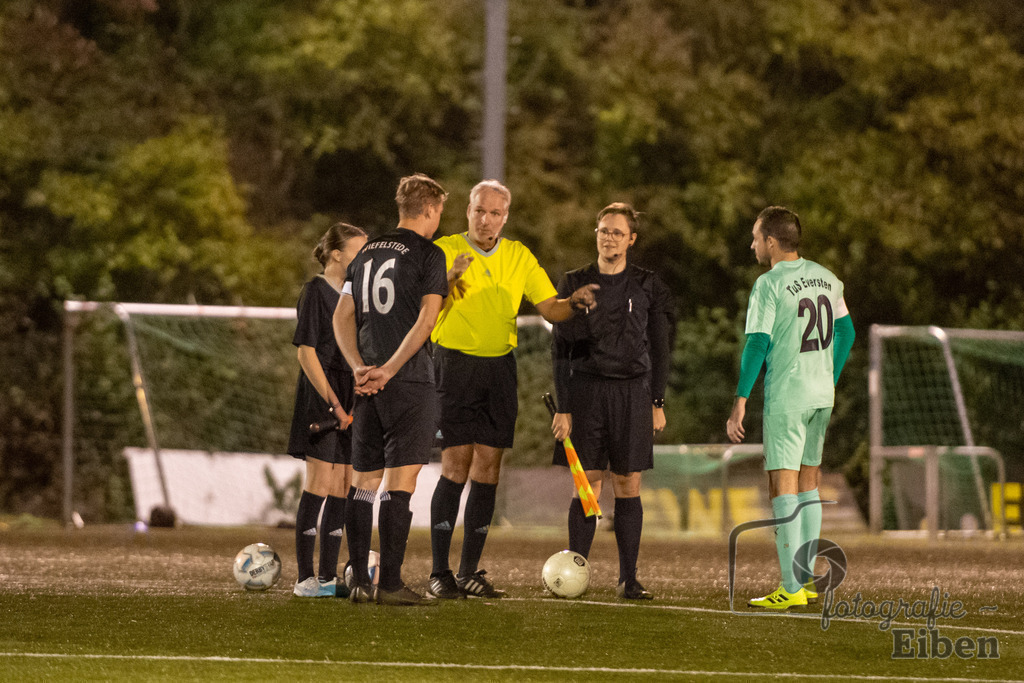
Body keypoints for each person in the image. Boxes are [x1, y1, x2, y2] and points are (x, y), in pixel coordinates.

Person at [426, 179, 599, 599]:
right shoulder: (445, 250)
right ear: (467, 210)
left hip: (499, 369)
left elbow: (550, 309)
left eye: (495, 213)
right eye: (479, 210)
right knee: (455, 468)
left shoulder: (519, 256)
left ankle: (468, 571)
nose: (486, 220)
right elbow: (424, 306)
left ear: (505, 217)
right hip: (454, 365)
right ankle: (438, 573)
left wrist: (573, 303)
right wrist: (448, 279)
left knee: (488, 469)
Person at [726, 206, 855, 610]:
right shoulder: (828, 278)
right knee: (809, 482)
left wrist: (740, 401)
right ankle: (806, 578)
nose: (752, 244)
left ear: (771, 241)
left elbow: (758, 344)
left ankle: (790, 586)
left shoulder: (769, 284)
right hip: (820, 396)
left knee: (782, 486)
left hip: (788, 397)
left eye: (755, 237)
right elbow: (847, 333)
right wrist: (827, 378)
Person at [332, 173, 449, 606]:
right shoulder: (429, 254)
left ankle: (360, 579)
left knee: (362, 482)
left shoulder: (365, 253)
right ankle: (393, 583)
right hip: (410, 382)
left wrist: (360, 367)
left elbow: (341, 316)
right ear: (431, 210)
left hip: (366, 386)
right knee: (400, 484)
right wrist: (390, 369)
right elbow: (427, 320)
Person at [549, 202, 673, 600]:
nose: (609, 238)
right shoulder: (574, 281)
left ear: (631, 239)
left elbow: (660, 345)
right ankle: (577, 572)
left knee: (628, 484)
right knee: (587, 485)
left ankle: (628, 579)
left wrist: (657, 400)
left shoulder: (647, 283)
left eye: (618, 232)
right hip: (586, 392)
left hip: (633, 392)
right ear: (596, 234)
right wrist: (564, 407)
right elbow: (560, 349)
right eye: (604, 230)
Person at [287, 222, 367, 598]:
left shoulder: (357, 296)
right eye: (358, 251)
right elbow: (306, 352)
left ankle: (327, 577)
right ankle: (305, 578)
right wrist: (334, 403)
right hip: (322, 395)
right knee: (319, 481)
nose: (364, 258)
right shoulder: (315, 292)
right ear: (337, 254)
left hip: (352, 393)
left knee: (343, 484)